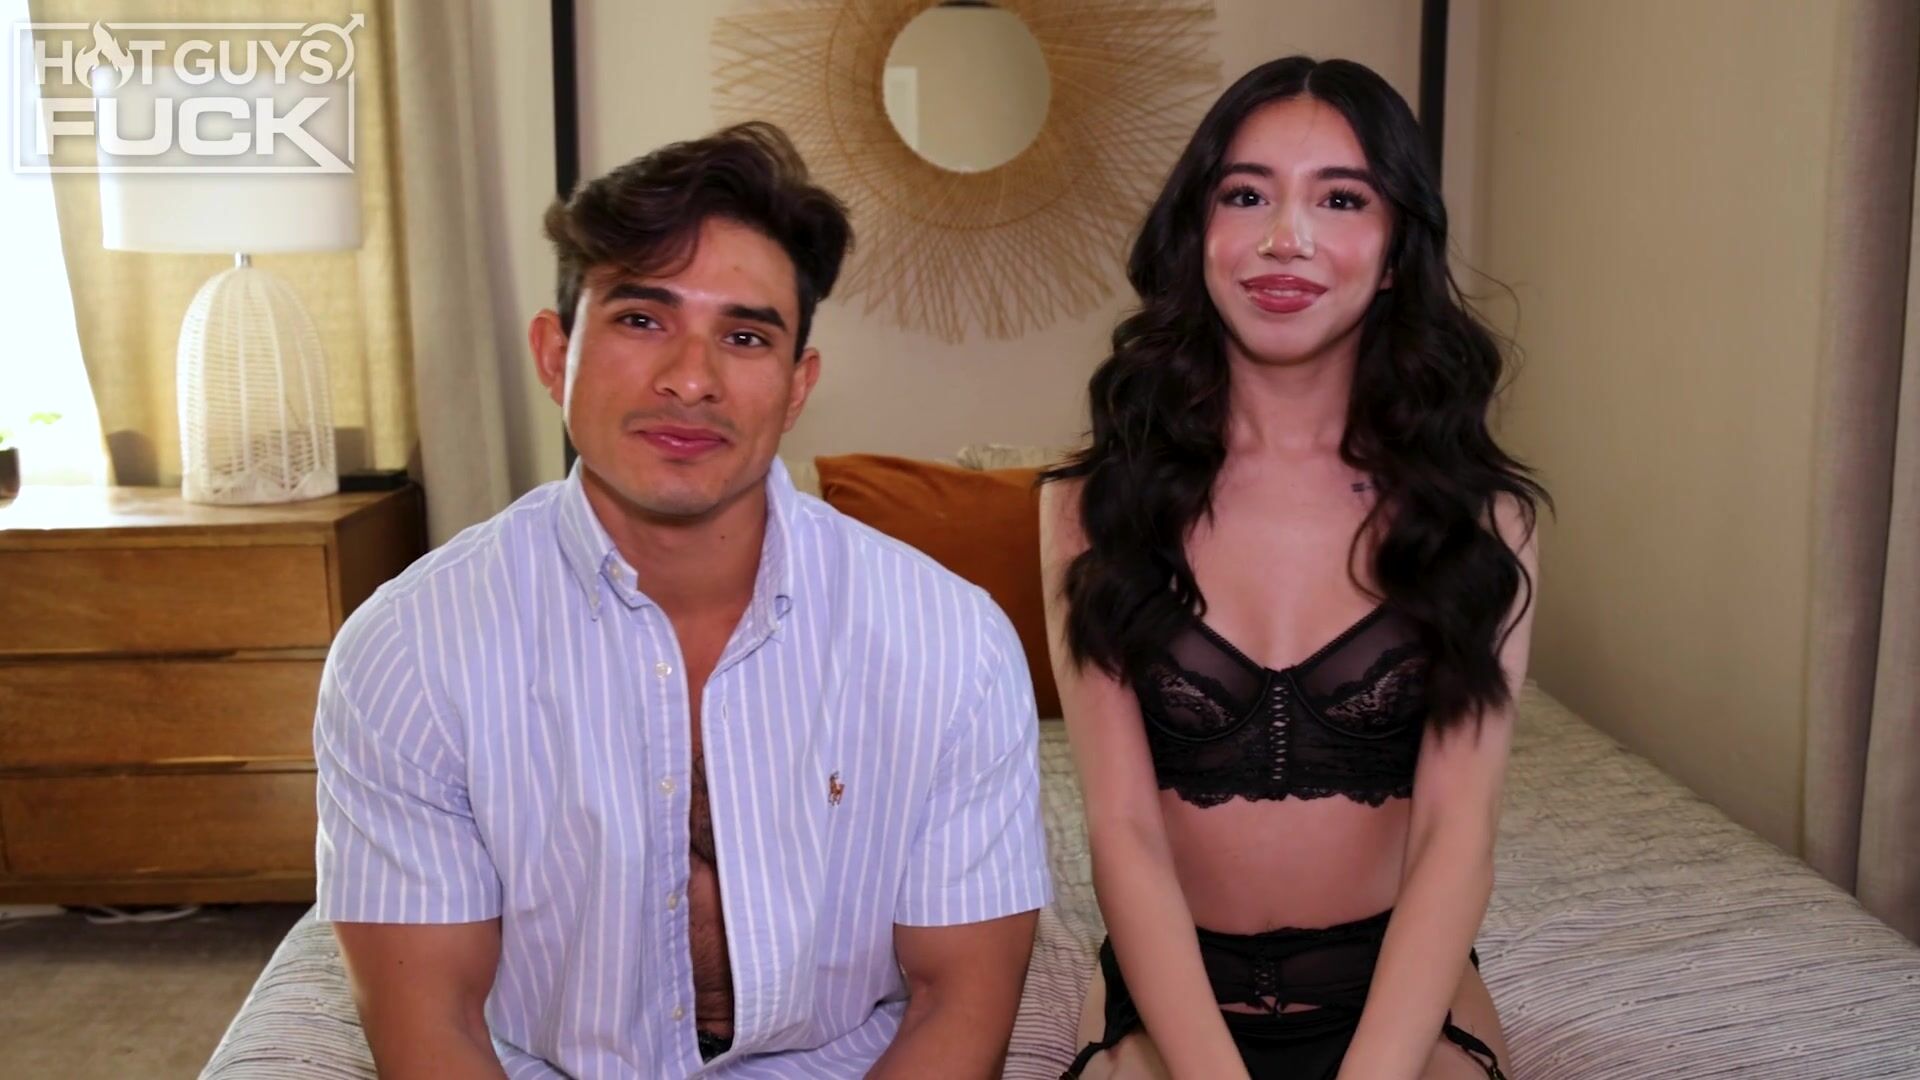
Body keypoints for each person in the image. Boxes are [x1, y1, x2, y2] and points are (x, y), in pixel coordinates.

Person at [315, 122, 1051, 1078]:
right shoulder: (410, 649)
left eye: (745, 337)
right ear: (554, 355)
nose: (691, 380)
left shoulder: (952, 643)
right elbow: (433, 1026)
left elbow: (960, 999)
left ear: (796, 387)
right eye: (641, 319)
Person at [1040, 56, 1547, 1080]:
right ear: (1198, 234)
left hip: (1399, 994)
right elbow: (1124, 829)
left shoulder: (1483, 519)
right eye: (1245, 195)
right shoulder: (1090, 508)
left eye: (1341, 199)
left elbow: (1456, 832)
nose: (1287, 237)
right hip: (1173, 995)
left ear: (1397, 252)